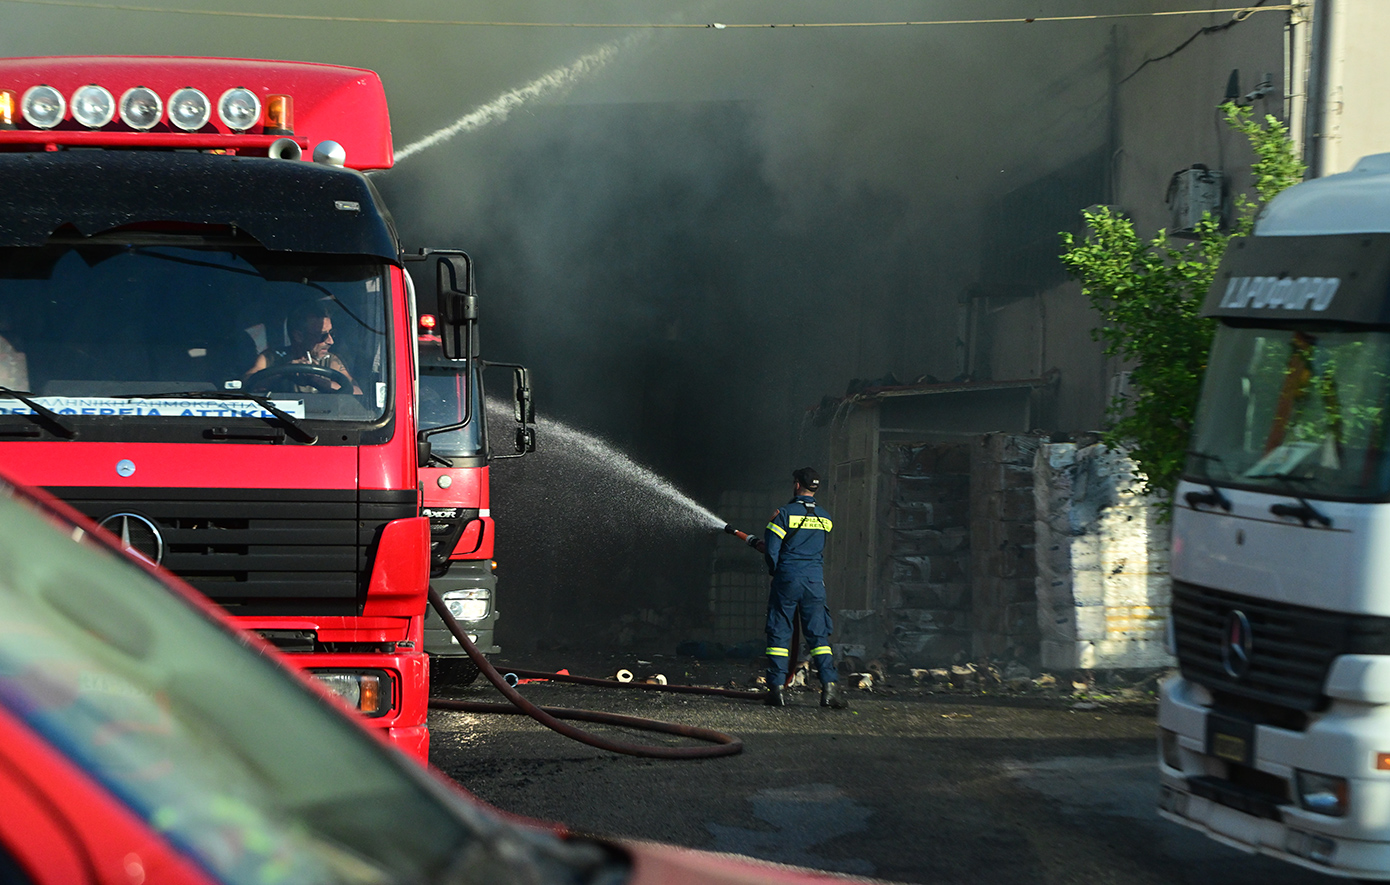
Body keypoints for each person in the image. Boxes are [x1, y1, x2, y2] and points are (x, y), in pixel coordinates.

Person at [763, 467, 847, 709]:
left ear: (797, 484)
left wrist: (775, 569)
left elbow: (771, 551)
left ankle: (776, 690)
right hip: (814, 582)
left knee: (780, 633)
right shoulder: (826, 518)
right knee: (819, 637)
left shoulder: (783, 514)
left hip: (788, 580)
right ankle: (829, 689)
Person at [244, 300, 361, 394]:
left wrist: (316, 381)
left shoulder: (330, 360)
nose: (331, 341)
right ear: (298, 336)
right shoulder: (272, 358)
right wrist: (285, 371)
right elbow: (245, 384)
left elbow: (357, 393)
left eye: (332, 333)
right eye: (322, 336)